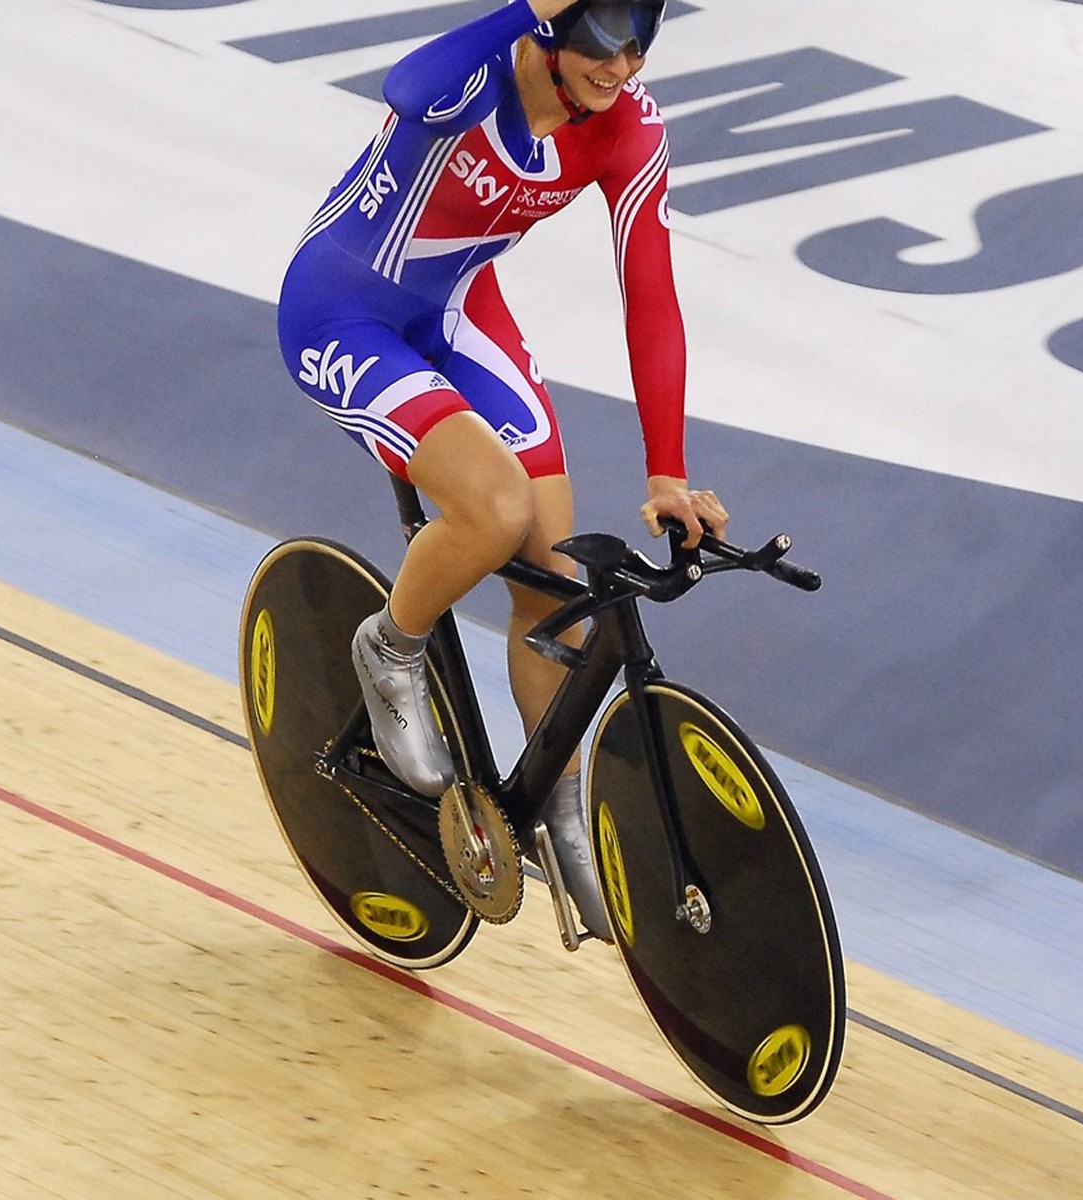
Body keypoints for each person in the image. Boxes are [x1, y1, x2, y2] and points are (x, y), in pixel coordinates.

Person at [276, 0, 728, 943]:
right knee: (491, 511)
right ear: (552, 30)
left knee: (555, 585)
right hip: (340, 314)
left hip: (454, 313)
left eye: (639, 44)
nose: (622, 67)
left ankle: (558, 813)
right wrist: (524, 8)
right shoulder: (476, 80)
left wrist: (668, 471)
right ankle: (389, 647)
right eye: (602, 44)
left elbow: (651, 296)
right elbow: (405, 88)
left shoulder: (629, 126)